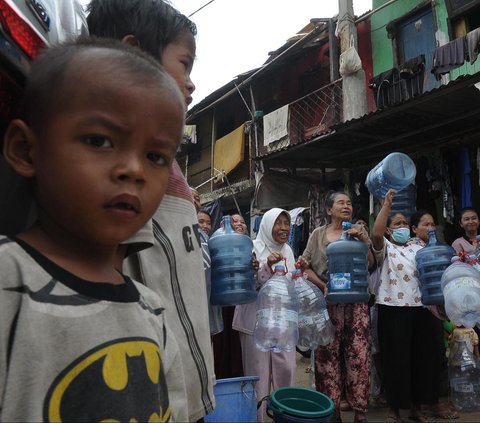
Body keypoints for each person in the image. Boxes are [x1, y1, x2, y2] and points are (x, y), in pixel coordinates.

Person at [0, 39, 187, 422]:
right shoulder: (8, 282)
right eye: (100, 141)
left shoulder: (150, 308)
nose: (133, 170)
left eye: (155, 157)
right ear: (26, 150)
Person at [87, 2, 216, 420]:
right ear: (134, 55)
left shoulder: (164, 160)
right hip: (160, 401)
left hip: (186, 390)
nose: (191, 84)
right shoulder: (126, 163)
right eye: (185, 64)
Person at [372, 189, 447, 423]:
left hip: (420, 310)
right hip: (393, 309)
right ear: (389, 229)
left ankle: (416, 409)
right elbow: (375, 234)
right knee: (395, 361)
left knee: (420, 360)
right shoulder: (384, 247)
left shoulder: (418, 245)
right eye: (397, 223)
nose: (402, 225)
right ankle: (395, 410)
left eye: (405, 222)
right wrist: (386, 206)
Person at [299, 191, 373, 423]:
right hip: (328, 305)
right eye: (340, 202)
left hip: (357, 305)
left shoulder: (359, 232)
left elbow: (371, 264)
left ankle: (360, 412)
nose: (346, 206)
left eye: (349, 203)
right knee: (327, 357)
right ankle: (333, 412)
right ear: (329, 210)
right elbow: (306, 265)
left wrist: (363, 241)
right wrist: (323, 286)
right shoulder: (318, 235)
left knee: (358, 356)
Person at [232, 208, 297, 423]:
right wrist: (266, 266)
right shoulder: (251, 247)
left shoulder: (288, 249)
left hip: (281, 324)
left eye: (286, 223)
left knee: (286, 371)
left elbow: (290, 283)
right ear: (267, 225)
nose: (284, 228)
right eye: (278, 223)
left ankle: (284, 417)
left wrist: (299, 274)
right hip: (254, 322)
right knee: (258, 376)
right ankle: (257, 419)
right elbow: (246, 284)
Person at [212, 213, 248, 379]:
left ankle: (240, 379)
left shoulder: (251, 246)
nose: (239, 224)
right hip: (225, 305)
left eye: (242, 221)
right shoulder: (220, 245)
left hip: (244, 305)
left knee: (240, 348)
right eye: (235, 221)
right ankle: (221, 381)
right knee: (224, 344)